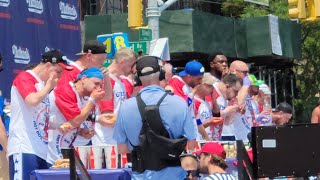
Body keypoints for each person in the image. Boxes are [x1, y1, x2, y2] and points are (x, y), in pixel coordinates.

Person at [113, 56, 197, 179]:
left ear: (137, 78)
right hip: (174, 175)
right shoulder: (179, 103)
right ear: (162, 74)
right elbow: (191, 144)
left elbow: (122, 149)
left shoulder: (125, 107)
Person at [8, 50, 73, 180]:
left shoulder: (42, 85)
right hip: (24, 147)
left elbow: (40, 117)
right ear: (48, 65)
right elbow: (32, 101)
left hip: (41, 150)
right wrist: (48, 87)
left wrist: (58, 125)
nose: (59, 77)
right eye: (58, 72)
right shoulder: (25, 77)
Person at [47, 68, 115, 165]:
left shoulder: (83, 94)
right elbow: (75, 121)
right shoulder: (65, 91)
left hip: (65, 145)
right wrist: (92, 100)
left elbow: (107, 97)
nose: (98, 88)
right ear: (83, 79)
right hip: (52, 148)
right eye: (96, 84)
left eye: (100, 85)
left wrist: (80, 131)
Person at [92, 47, 136, 145]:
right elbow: (108, 118)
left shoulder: (121, 81)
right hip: (105, 140)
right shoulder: (106, 80)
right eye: (131, 65)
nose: (132, 69)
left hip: (115, 139)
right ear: (122, 62)